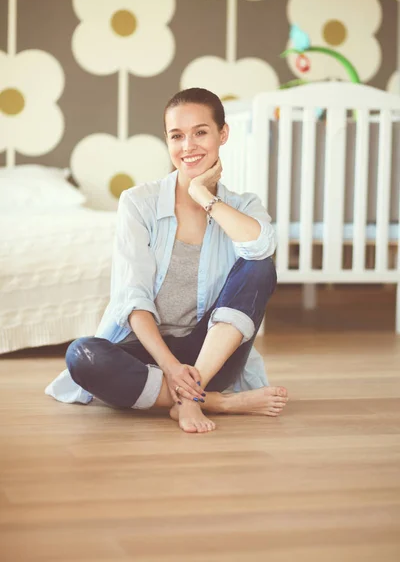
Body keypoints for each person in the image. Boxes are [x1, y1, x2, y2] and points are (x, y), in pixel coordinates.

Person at [46, 87, 288, 433]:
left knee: (260, 264)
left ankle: (190, 397)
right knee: (81, 355)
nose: (188, 146)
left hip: (213, 355)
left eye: (200, 133)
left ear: (223, 134)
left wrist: (204, 196)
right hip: (151, 355)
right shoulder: (138, 203)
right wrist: (172, 367)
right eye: (177, 136)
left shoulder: (243, 205)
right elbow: (133, 299)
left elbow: (261, 246)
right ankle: (215, 400)